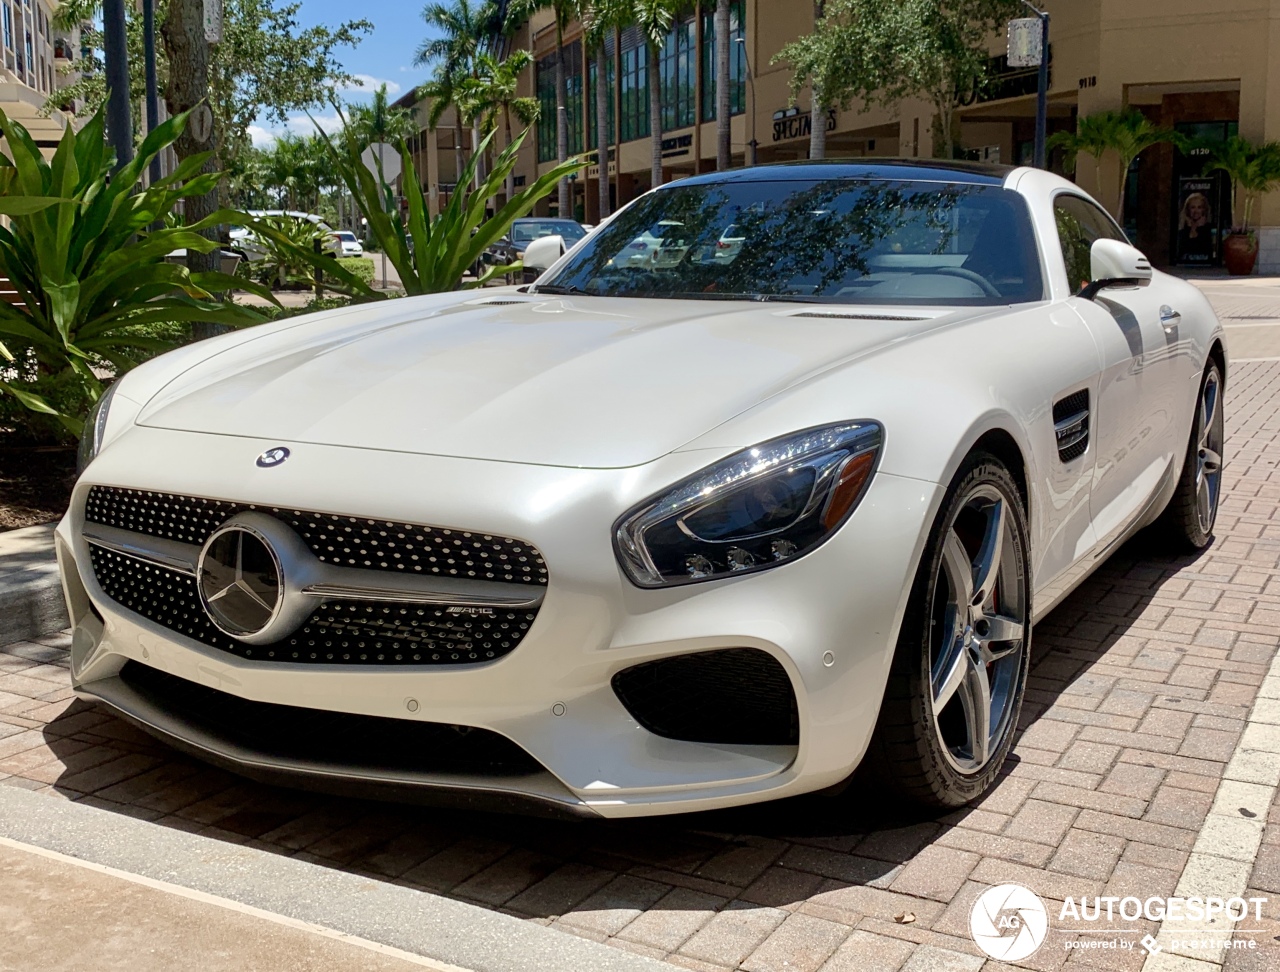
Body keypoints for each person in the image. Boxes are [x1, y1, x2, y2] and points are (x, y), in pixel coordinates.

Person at [1178, 192, 1215, 262]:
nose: (1196, 211)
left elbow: (1206, 249)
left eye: (1199, 207)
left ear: (1204, 210)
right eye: (1193, 207)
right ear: (1188, 210)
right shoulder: (1183, 229)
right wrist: (1191, 229)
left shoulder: (1209, 228)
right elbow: (1182, 250)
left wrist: (1201, 228)